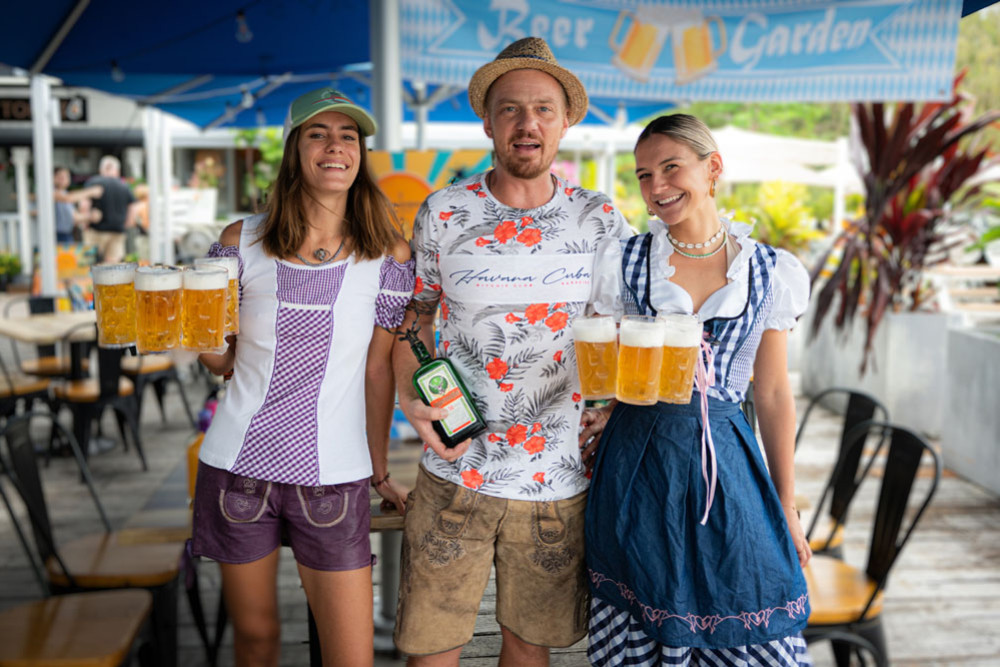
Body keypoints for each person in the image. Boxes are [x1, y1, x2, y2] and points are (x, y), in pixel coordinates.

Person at [392, 37, 631, 666]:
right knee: (430, 652)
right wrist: (411, 398)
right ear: (488, 121)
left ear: (565, 120)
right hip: (455, 472)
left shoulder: (601, 219)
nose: (528, 123)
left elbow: (632, 325)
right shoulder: (445, 212)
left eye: (544, 109)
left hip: (558, 475)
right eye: (511, 109)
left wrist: (617, 408)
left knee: (529, 653)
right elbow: (411, 322)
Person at [191, 88, 413, 667]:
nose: (335, 146)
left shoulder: (389, 255)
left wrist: (380, 467)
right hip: (238, 470)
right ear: (294, 150)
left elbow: (376, 369)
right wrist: (195, 336)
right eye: (318, 134)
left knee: (350, 657)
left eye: (348, 136)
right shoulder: (242, 241)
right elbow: (219, 361)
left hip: (335, 477)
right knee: (258, 642)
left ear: (360, 154)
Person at [585, 114, 813, 666]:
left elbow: (775, 393)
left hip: (728, 464)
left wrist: (786, 503)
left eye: (670, 167)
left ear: (712, 169)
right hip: (639, 464)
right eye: (643, 176)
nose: (657, 187)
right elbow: (608, 366)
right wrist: (603, 406)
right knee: (647, 615)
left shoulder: (769, 271)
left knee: (753, 605)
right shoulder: (626, 262)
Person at [84, 155, 138, 262]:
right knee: (113, 265)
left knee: (91, 262)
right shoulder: (125, 186)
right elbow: (133, 207)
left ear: (101, 169)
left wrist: (85, 222)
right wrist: (128, 223)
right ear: (117, 171)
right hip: (117, 231)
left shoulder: (93, 182)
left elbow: (84, 204)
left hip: (96, 230)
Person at [53, 166, 101, 244]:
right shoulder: (52, 192)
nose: (64, 179)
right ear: (53, 178)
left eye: (66, 176)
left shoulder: (64, 193)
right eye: (60, 176)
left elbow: (74, 217)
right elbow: (67, 198)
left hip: (66, 235)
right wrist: (91, 192)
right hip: (56, 236)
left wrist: (90, 216)